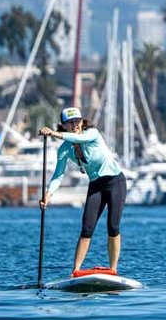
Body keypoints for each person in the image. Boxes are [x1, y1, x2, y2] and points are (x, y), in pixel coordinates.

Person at [39, 106, 127, 275]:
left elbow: (77, 138)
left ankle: (113, 269)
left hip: (115, 182)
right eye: (70, 123)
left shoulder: (92, 134)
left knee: (113, 226)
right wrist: (47, 196)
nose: (75, 125)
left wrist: (53, 134)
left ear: (82, 122)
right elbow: (58, 175)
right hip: (96, 185)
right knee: (87, 228)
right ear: (64, 125)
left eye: (77, 121)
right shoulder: (65, 149)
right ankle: (75, 271)